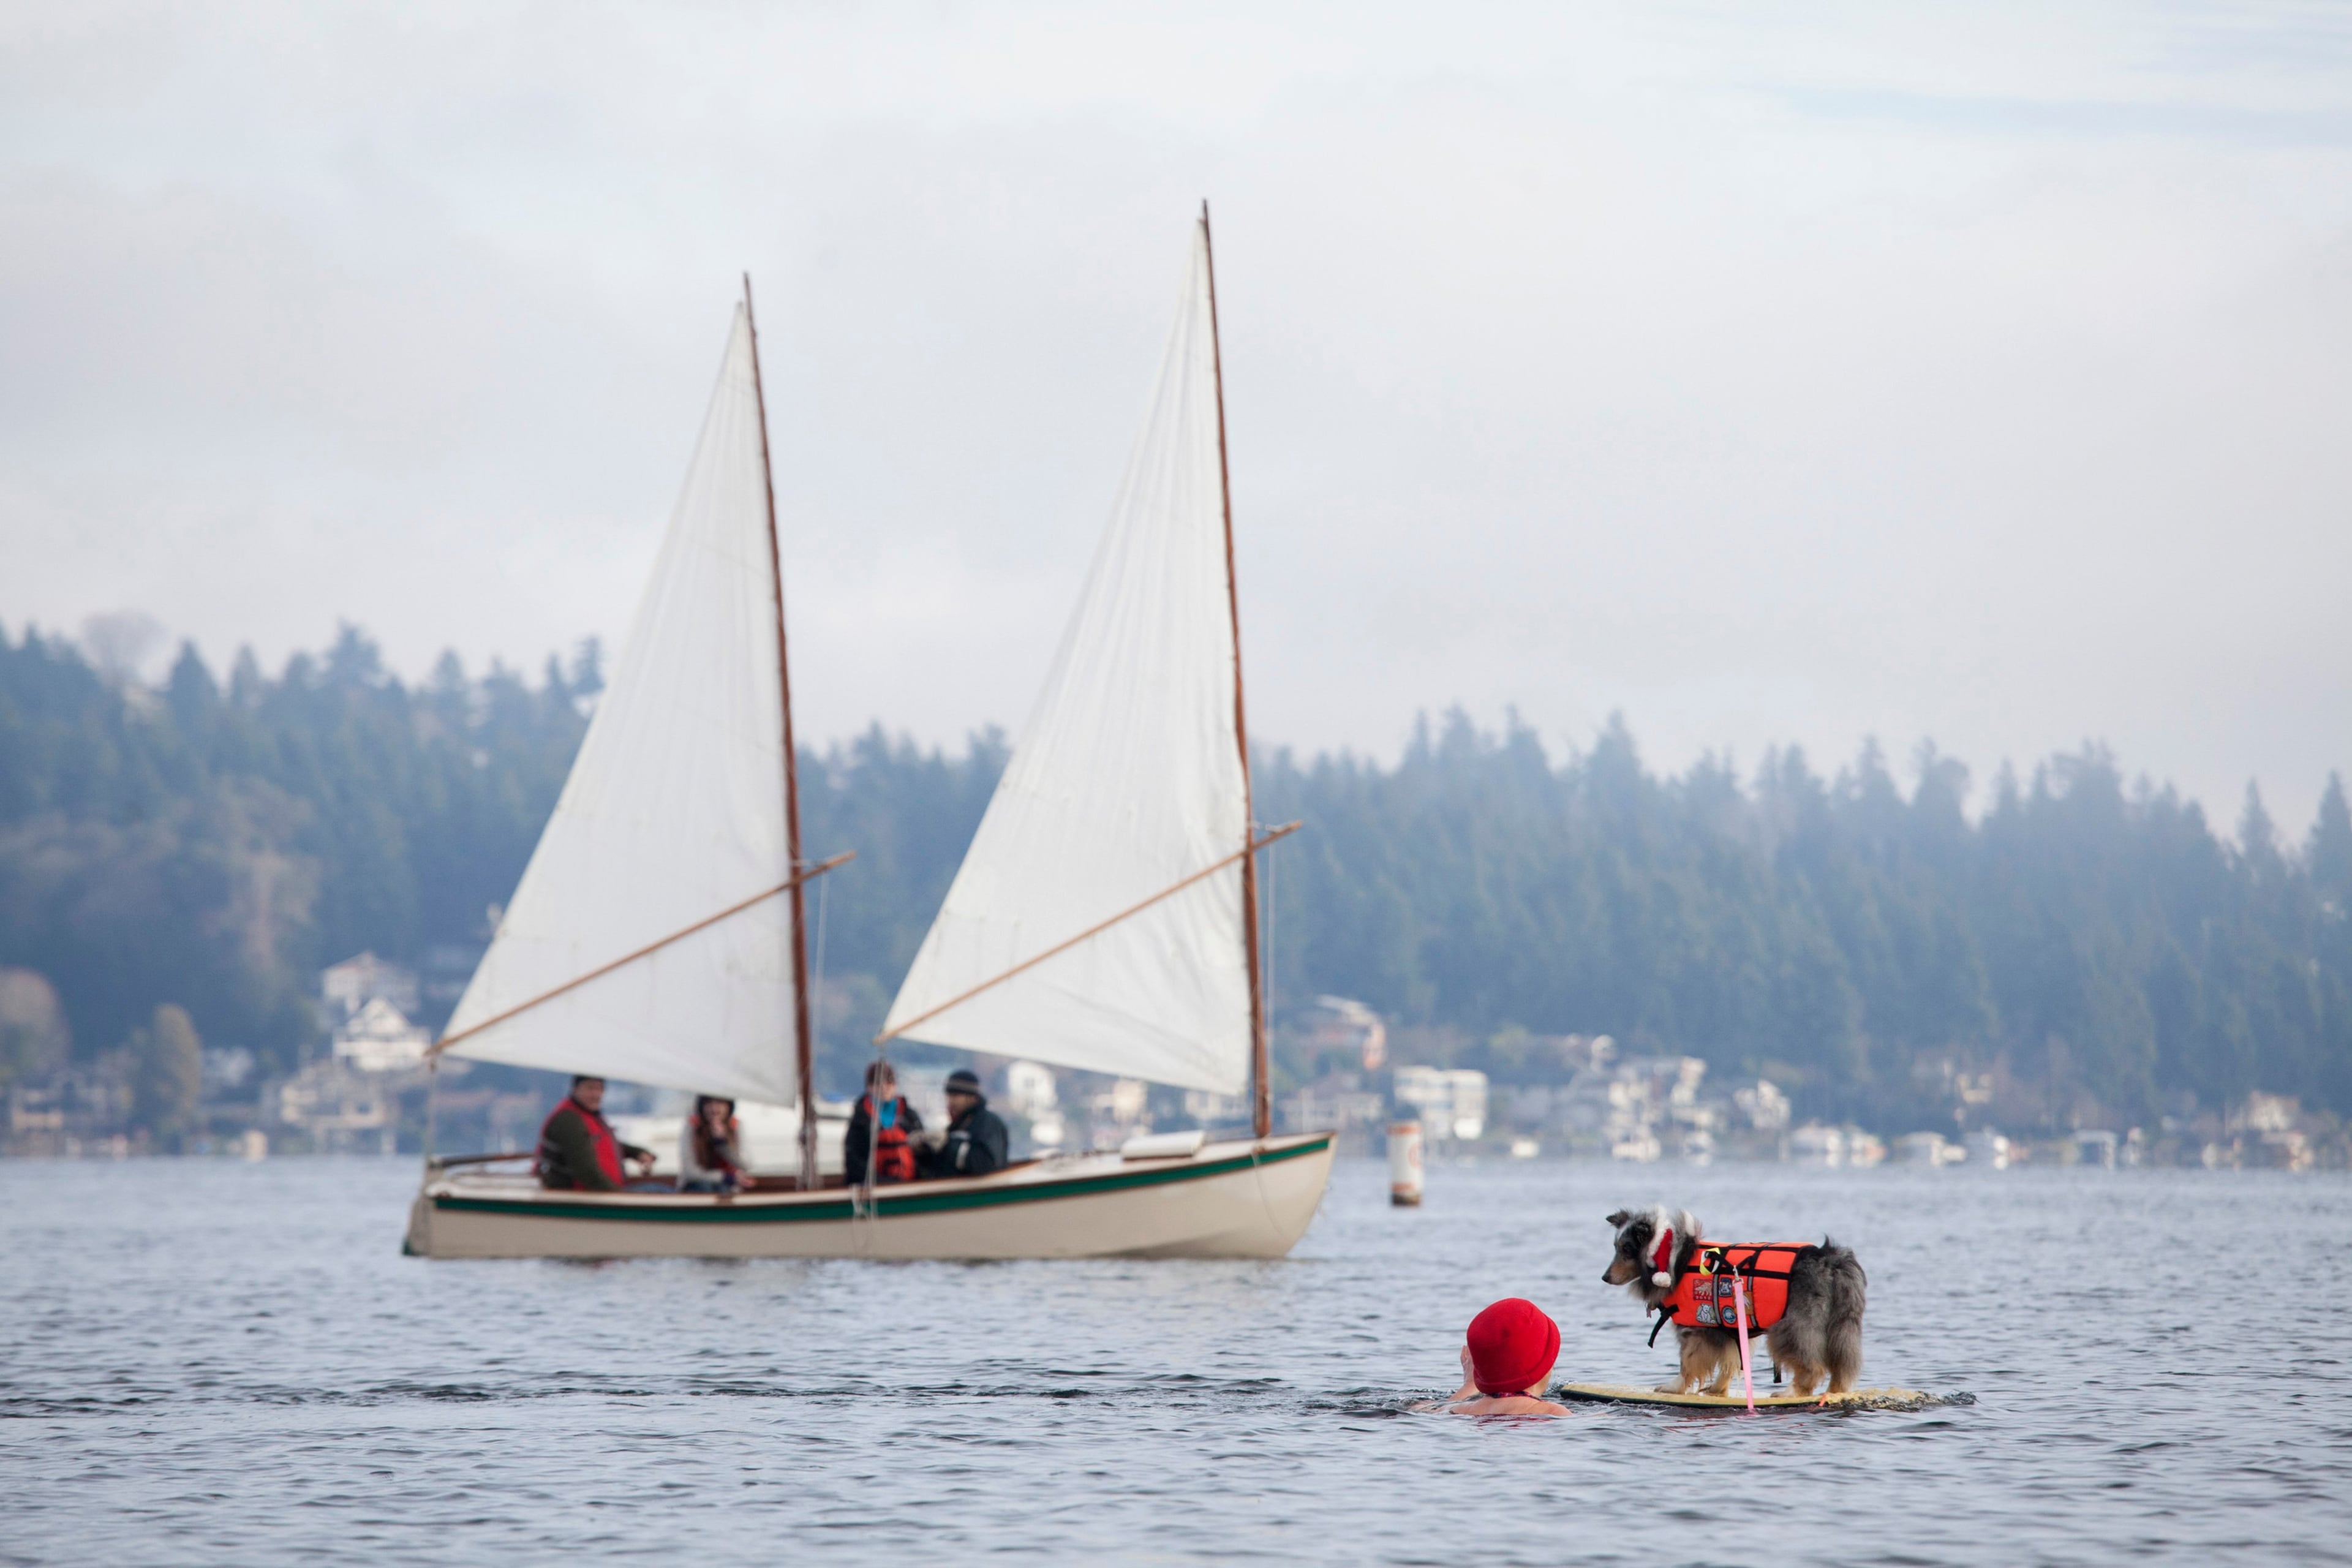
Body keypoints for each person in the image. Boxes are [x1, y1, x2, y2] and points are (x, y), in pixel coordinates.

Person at [1412, 1298, 1572, 1415]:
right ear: (1542, 1366)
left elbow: (1421, 1409)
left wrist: (1469, 1386)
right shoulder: (1552, 1412)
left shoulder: (1457, 1410)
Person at [536, 1075, 657, 1192]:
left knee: (655, 1188)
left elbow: (603, 1144)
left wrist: (637, 1153)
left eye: (600, 1089)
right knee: (658, 1191)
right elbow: (586, 1171)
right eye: (590, 1088)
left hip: (603, 1194)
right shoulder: (570, 1121)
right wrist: (618, 1196)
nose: (596, 1095)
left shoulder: (586, 1115)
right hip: (584, 1198)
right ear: (575, 1089)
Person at [843, 1060, 923, 1186]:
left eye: (889, 1082)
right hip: (874, 1189)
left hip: (909, 1186)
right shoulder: (860, 1120)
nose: (884, 1087)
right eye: (878, 1083)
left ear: (895, 1085)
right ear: (869, 1087)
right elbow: (854, 1162)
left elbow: (923, 1155)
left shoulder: (910, 1117)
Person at [922, 1067, 1009, 1178]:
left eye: (955, 1096)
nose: (950, 1101)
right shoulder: (957, 1126)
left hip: (979, 1193)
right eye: (948, 1096)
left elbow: (985, 1164)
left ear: (972, 1098)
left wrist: (947, 1144)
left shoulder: (988, 1122)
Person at [679, 1094, 745, 1194]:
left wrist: (722, 1144)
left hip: (728, 1188)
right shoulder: (692, 1127)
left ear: (729, 1106)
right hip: (696, 1185)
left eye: (720, 1103)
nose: (714, 1109)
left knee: (723, 1189)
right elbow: (690, 1171)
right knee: (706, 1187)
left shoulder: (736, 1127)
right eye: (709, 1103)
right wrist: (725, 1177)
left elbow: (746, 1164)